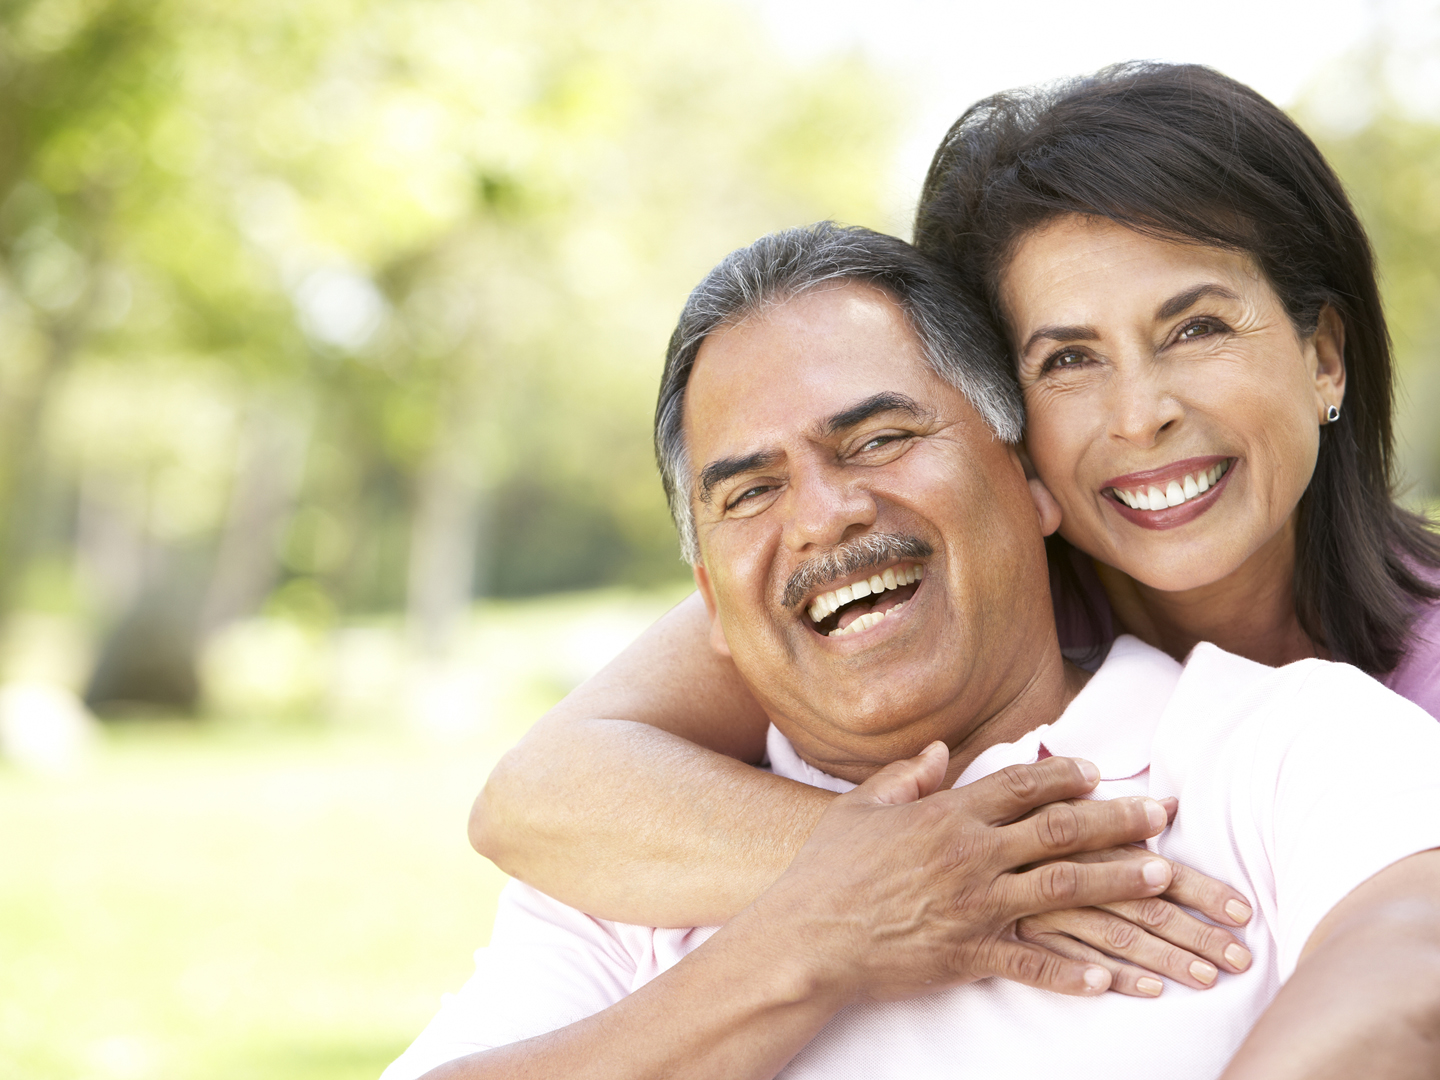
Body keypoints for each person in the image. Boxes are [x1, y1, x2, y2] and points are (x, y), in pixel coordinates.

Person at [383, 224, 1440, 1080]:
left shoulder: (1296, 747)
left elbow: (1414, 993)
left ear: (1032, 481)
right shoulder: (630, 866)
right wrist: (813, 940)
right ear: (708, 596)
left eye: (880, 440)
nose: (824, 517)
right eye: (751, 491)